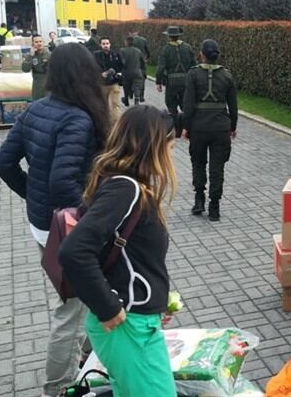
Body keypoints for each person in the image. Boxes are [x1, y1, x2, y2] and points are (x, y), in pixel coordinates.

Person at [0, 43, 110, 397]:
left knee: (90, 296)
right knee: (71, 310)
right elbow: (63, 181)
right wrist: (88, 223)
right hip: (68, 228)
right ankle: (58, 387)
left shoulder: (37, 109)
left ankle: (92, 358)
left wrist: (34, 198)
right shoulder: (77, 117)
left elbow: (4, 162)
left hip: (45, 224)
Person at [59, 105, 178, 397]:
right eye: (170, 146)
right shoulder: (126, 189)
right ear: (153, 147)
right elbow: (74, 251)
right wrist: (109, 306)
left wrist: (154, 300)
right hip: (128, 327)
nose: (172, 155)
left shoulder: (124, 183)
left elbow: (130, 256)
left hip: (138, 322)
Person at [181, 39, 237, 221]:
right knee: (217, 167)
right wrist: (233, 126)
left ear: (202, 54)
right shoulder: (227, 76)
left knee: (198, 163)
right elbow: (233, 106)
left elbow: (188, 104)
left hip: (198, 127)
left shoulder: (193, 74)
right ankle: (214, 206)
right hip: (221, 127)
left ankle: (199, 200)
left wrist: (185, 127)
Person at [155, 26, 195, 133]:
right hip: (186, 81)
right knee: (185, 105)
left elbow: (160, 68)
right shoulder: (187, 47)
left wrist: (158, 82)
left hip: (171, 82)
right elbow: (194, 64)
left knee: (171, 105)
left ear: (168, 36)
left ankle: (176, 129)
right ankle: (187, 128)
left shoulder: (166, 49)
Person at [94, 37, 125, 119]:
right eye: (103, 44)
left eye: (107, 43)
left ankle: (115, 124)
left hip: (114, 83)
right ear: (100, 45)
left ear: (110, 44)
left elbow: (122, 66)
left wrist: (119, 73)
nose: (106, 46)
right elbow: (92, 68)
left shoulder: (116, 54)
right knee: (102, 105)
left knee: (115, 105)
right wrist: (100, 74)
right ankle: (104, 123)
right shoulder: (96, 55)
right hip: (102, 84)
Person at [22, 34, 52, 101]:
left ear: (43, 42)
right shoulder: (31, 55)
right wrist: (31, 56)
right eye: (36, 42)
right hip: (37, 85)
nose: (39, 44)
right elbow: (25, 69)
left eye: (40, 41)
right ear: (33, 43)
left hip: (48, 85)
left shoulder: (49, 55)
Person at [119, 35, 146, 106]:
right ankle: (136, 99)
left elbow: (121, 61)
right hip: (137, 72)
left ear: (126, 42)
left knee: (126, 86)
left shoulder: (122, 50)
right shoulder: (138, 51)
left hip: (126, 72)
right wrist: (143, 69)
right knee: (137, 85)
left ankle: (126, 99)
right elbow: (143, 62)